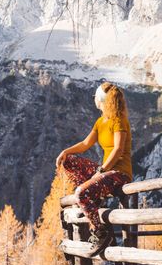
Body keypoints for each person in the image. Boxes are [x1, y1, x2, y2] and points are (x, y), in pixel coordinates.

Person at [56, 81, 133, 255]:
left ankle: (100, 232)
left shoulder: (119, 120)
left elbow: (118, 149)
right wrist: (65, 152)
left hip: (119, 173)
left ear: (101, 100)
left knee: (81, 193)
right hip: (105, 170)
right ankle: (94, 198)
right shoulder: (101, 122)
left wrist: (102, 171)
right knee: (70, 161)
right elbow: (85, 144)